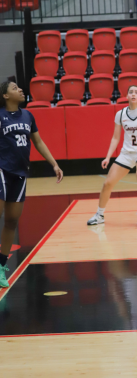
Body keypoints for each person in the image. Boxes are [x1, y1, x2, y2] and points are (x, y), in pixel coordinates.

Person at [0, 81, 63, 288]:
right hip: (2, 170)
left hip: (19, 173)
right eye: (14, 88)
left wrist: (54, 164)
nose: (20, 90)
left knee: (11, 221)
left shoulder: (28, 116)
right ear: (5, 96)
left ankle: (1, 267)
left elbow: (38, 142)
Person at [87, 85, 137, 228]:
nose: (133, 94)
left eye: (136, 92)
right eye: (130, 92)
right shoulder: (120, 114)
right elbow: (115, 138)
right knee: (107, 183)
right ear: (127, 96)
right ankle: (99, 214)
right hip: (126, 153)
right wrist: (108, 157)